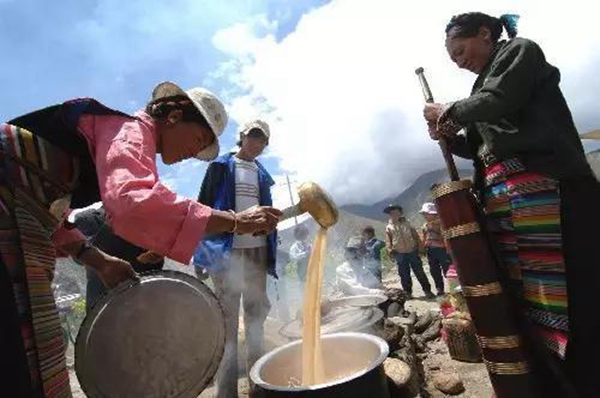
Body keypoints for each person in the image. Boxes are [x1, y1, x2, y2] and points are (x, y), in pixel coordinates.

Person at [0, 82, 280, 397]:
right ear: (174, 116)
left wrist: (99, 261)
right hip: (8, 212)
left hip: (26, 222)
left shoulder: (116, 148)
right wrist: (234, 221)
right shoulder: (128, 130)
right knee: (27, 352)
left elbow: (54, 217)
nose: (194, 153)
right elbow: (132, 202)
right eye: (198, 139)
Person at [422, 12, 600, 397]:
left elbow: (501, 99)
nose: (457, 59)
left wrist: (450, 112)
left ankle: (585, 379)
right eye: (451, 56)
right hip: (509, 204)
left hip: (549, 192)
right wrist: (448, 137)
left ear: (485, 34)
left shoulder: (519, 53)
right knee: (530, 299)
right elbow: (482, 147)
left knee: (571, 296)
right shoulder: (482, 89)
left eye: (460, 49)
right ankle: (557, 380)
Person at [194, 119, 277, 398]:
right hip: (226, 254)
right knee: (228, 324)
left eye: (263, 141)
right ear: (242, 136)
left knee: (256, 318)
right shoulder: (220, 167)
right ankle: (226, 393)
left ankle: (258, 386)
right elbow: (203, 209)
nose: (257, 144)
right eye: (253, 137)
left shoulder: (262, 175)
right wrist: (202, 255)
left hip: (256, 251)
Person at [73, 206, 165, 311]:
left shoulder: (152, 232)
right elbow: (80, 254)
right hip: (104, 306)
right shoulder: (89, 218)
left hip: (137, 306)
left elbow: (150, 272)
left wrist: (155, 255)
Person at [384, 204, 435, 299]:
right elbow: (388, 241)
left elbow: (415, 236)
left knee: (419, 272)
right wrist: (390, 252)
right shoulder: (389, 227)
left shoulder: (408, 223)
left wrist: (420, 248)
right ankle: (407, 293)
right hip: (399, 253)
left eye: (395, 212)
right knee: (404, 274)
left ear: (400, 213)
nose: (393, 214)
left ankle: (427, 291)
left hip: (412, 251)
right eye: (391, 213)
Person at [419, 202, 451, 296]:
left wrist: (448, 249)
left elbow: (445, 236)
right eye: (424, 214)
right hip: (430, 251)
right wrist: (422, 248)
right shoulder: (424, 226)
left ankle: (454, 288)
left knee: (447, 270)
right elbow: (423, 238)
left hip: (442, 250)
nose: (424, 215)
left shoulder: (441, 223)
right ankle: (439, 289)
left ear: (433, 213)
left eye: (426, 213)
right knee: (434, 271)